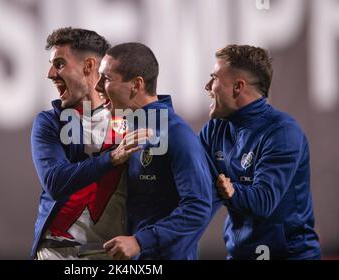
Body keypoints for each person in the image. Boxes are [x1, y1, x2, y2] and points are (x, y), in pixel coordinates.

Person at [30, 27, 149, 260]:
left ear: (88, 66)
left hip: (114, 254)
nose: (50, 73)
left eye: (60, 63)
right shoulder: (50, 123)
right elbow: (55, 182)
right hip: (57, 252)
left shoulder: (135, 119)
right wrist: (112, 158)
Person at [199, 44, 321, 260]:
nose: (207, 86)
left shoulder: (282, 132)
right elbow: (194, 191)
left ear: (238, 87)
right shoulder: (215, 129)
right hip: (239, 255)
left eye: (214, 78)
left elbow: (263, 202)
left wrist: (232, 191)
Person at [95, 42, 213, 260]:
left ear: (136, 85)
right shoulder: (128, 128)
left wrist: (141, 241)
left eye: (107, 78)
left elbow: (198, 207)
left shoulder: (176, 133)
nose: (97, 86)